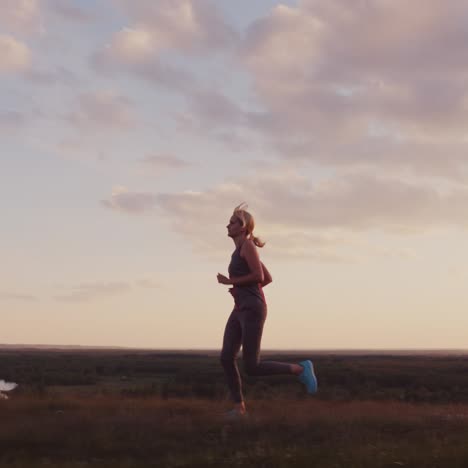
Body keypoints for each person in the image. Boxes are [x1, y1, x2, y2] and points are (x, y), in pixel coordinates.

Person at [217, 203, 317, 417]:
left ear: (242, 227)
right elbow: (267, 278)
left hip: (253, 309)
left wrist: (231, 282)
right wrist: (239, 290)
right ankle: (239, 408)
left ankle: (301, 369)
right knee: (226, 357)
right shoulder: (240, 249)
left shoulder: (248, 247)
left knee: (252, 367)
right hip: (240, 308)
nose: (228, 225)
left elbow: (259, 278)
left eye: (232, 222)